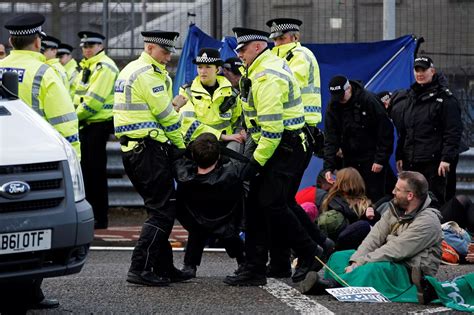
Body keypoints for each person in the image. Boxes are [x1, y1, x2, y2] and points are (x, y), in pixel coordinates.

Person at [223, 27, 324, 293]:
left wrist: (254, 164)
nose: (240, 56)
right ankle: (255, 267)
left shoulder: (267, 75)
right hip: (276, 145)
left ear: (257, 47)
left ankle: (310, 251)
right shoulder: (259, 70)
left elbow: (271, 129)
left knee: (272, 202)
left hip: (284, 146)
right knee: (257, 204)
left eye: (243, 50)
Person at [0, 12, 81, 311]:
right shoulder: (48, 73)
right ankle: (29, 292)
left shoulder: (0, 68)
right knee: (31, 231)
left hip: (4, 157)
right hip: (38, 161)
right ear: (38, 41)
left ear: (10, 41)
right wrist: (74, 163)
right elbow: (65, 123)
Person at [114, 30, 190, 286]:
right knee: (163, 211)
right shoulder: (147, 74)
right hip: (147, 151)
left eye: (170, 51)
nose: (169, 56)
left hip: (137, 150)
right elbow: (167, 117)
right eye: (164, 51)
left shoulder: (133, 69)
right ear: (149, 48)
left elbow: (155, 111)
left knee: (159, 208)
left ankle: (163, 267)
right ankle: (140, 267)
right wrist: (181, 148)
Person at [307, 171, 443, 305]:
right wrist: (355, 261)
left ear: (410, 195)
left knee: (372, 269)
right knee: (340, 256)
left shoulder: (428, 221)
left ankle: (332, 285)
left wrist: (361, 264)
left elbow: (395, 250)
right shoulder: (395, 209)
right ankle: (340, 283)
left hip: (409, 271)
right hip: (390, 260)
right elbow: (374, 237)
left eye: (397, 189)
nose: (393, 192)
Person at [265, 18, 329, 277]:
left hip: (299, 133)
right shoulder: (281, 57)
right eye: (274, 40)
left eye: (281, 39)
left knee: (280, 201)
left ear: (294, 37)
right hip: (292, 133)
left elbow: (284, 85)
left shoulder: (300, 55)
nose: (276, 44)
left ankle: (313, 248)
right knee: (283, 201)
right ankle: (296, 253)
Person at [391, 56, 463, 205]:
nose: (420, 73)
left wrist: (446, 159)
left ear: (432, 71)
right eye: (417, 70)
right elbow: (404, 130)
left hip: (436, 164)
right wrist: (400, 155)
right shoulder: (410, 97)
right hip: (412, 161)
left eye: (423, 69)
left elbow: (453, 131)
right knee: (414, 202)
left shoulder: (445, 98)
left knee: (438, 202)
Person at [174, 133, 246, 278]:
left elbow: (176, 156)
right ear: (219, 156)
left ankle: (190, 265)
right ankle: (243, 262)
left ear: (193, 156)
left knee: (197, 230)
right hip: (225, 221)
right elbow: (247, 163)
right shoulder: (232, 172)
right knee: (229, 234)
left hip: (194, 220)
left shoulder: (182, 172)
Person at [323, 75, 394, 203]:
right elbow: (330, 138)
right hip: (350, 159)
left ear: (349, 88)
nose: (340, 100)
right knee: (352, 196)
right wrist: (328, 166)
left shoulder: (369, 100)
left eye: (342, 96)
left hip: (372, 158)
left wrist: (380, 159)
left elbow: (385, 131)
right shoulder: (333, 106)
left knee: (375, 196)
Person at [74, 30, 118, 229]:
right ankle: (93, 216)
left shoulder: (104, 67)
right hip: (87, 124)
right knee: (87, 172)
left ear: (100, 46)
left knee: (95, 173)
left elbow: (93, 102)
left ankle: (100, 218)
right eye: (84, 46)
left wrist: (73, 118)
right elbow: (77, 96)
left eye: (91, 46)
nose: (87, 49)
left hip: (97, 124)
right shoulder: (87, 66)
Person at [179, 48, 244, 146]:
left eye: (208, 67)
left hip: (225, 145)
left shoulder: (232, 92)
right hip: (199, 145)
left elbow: (236, 121)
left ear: (218, 69)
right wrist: (221, 136)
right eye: (200, 67)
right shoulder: (187, 92)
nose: (203, 71)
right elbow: (188, 124)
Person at [317, 167, 380, 250]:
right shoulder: (333, 199)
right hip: (338, 241)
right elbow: (348, 214)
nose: (335, 180)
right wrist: (364, 214)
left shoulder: (364, 202)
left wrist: (372, 215)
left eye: (337, 178)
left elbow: (378, 220)